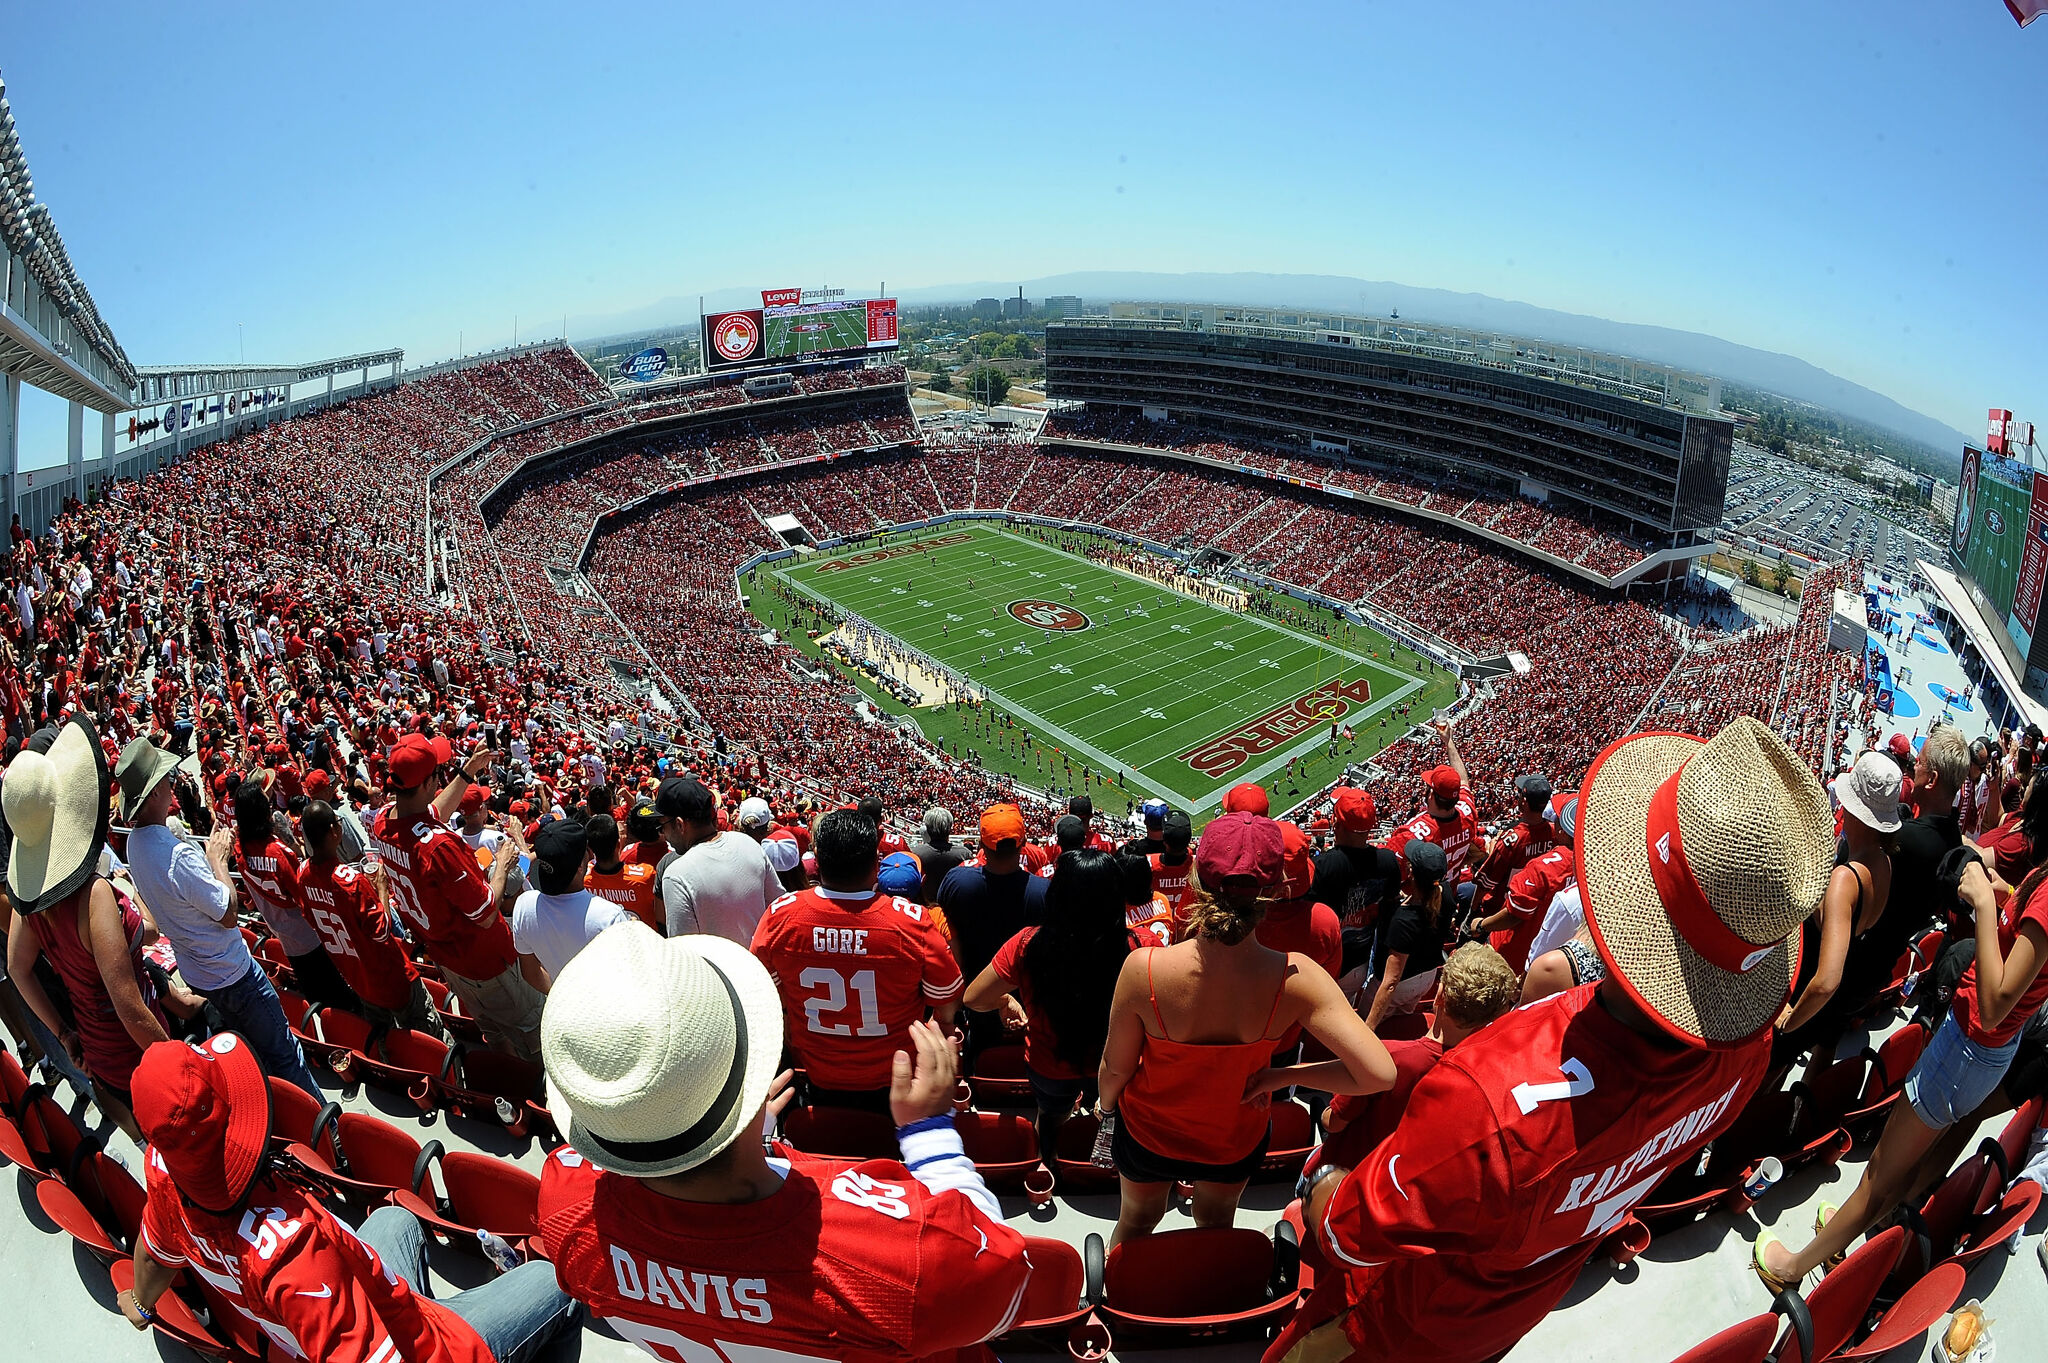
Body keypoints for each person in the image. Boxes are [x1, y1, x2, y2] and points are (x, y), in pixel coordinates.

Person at [1283, 716, 1825, 1363]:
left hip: (1399, 1320)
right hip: (1512, 1309)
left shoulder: (1487, 1097)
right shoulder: (1749, 1052)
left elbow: (1345, 1233)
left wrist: (1322, 1185)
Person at [536, 924, 1032, 1363]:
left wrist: (753, 1139)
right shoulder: (901, 1258)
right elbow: (1007, 1270)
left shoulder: (563, 1201)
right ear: (754, 1068)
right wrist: (931, 1134)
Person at [118, 1034, 582, 1363]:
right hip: (431, 1348)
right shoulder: (294, 1258)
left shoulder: (163, 1170)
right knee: (561, 1283)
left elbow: (155, 1255)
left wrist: (141, 1305)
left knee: (398, 1220)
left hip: (360, 1309)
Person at [1757, 843, 2048, 1288]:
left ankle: (1793, 1267)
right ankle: (1851, 1234)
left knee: (1880, 1174)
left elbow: (1994, 1006)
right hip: (1978, 1051)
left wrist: (1987, 907)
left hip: (1968, 1046)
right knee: (1902, 1170)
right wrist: (2005, 897)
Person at [1097, 812, 1395, 1247]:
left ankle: (1117, 1306)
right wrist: (1283, 1076)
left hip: (1148, 1132)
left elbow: (1115, 1071)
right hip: (1233, 1138)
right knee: (1216, 1224)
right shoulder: (1297, 976)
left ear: (1198, 879)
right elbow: (1379, 1074)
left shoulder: (1143, 968)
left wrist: (1107, 1111)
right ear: (1272, 891)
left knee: (1138, 1221)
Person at [116, 737, 323, 1102]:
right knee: (284, 1052)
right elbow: (228, 914)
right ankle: (325, 1129)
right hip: (233, 974)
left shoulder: (134, 843)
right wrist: (216, 860)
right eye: (163, 778)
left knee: (251, 1052)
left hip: (199, 975)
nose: (171, 782)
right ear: (151, 797)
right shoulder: (179, 854)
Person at [5, 716, 169, 1140]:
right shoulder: (94, 895)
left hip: (93, 1050)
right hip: (135, 1051)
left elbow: (17, 969)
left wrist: (62, 1034)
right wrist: (179, 1063)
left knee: (149, 1142)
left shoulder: (33, 906)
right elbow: (131, 1009)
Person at [751, 809, 963, 1112]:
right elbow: (946, 1003)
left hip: (816, 1071)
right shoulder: (912, 923)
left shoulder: (780, 917)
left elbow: (764, 999)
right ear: (876, 865)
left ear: (818, 862)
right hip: (896, 1075)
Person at [371, 733, 539, 1060]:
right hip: (485, 959)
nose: (440, 778)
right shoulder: (439, 847)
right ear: (426, 783)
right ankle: (531, 1088)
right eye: (437, 773)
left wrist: (469, 769)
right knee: (529, 1027)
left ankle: (505, 1071)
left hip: (447, 956)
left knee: (490, 1027)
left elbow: (431, 812)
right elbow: (487, 912)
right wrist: (503, 866)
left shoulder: (384, 819)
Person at [965, 847, 1133, 1163]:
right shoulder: (1139, 945)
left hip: (1049, 1063)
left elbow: (974, 997)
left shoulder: (1027, 943)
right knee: (1111, 1118)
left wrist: (1005, 1000)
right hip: (1114, 1065)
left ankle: (1047, 1165)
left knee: (1051, 1117)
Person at [1317, 943, 1520, 1171]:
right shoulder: (1487, 1071)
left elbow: (1332, 1123)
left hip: (1352, 1172)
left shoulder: (1390, 1057)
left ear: (1440, 996)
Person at [1772, 752, 1899, 1066]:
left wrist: (1789, 1020)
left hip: (1802, 999)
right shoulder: (1883, 864)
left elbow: (1827, 979)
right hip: (1819, 1014)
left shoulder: (1845, 879)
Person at [298, 801, 442, 1036]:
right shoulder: (350, 882)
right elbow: (383, 929)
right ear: (334, 832)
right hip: (389, 975)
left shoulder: (302, 874)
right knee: (427, 1032)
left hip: (357, 977)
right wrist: (382, 888)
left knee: (383, 1038)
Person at [938, 804, 1047, 1054]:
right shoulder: (1043, 892)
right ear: (1024, 843)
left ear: (982, 845)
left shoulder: (958, 881)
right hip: (1029, 1001)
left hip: (974, 997)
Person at [232, 783, 353, 1010]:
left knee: (316, 995)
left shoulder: (240, 848)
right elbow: (304, 896)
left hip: (284, 935)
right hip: (308, 935)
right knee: (338, 995)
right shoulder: (278, 853)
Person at [659, 777, 782, 944]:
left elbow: (685, 951)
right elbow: (779, 911)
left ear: (680, 825)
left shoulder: (675, 875)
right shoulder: (749, 844)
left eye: (662, 826)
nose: (663, 834)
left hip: (715, 970)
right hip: (760, 967)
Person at [511, 819, 633, 984]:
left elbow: (531, 974)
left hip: (561, 1004)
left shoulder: (523, 905)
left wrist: (561, 997)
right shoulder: (610, 917)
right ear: (581, 866)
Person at [1312, 787, 1403, 981]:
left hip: (1325, 961)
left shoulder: (1323, 865)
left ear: (1336, 824)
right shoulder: (1388, 860)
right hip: (1362, 957)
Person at [1361, 841, 1450, 1029]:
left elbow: (1390, 982)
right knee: (1398, 1026)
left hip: (1400, 985)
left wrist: (1367, 1029)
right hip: (1427, 978)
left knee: (1364, 1026)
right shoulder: (1446, 894)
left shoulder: (1403, 919)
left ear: (1411, 873)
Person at [1468, 773, 1558, 929]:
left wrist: (1473, 909)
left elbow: (1487, 882)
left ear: (1523, 801)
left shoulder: (1513, 840)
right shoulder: (1554, 834)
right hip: (1534, 909)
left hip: (1501, 909)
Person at [584, 812, 660, 931]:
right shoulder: (646, 876)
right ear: (619, 844)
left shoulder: (583, 880)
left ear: (590, 849)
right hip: (642, 945)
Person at [907, 806, 967, 904]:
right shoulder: (963, 854)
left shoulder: (915, 854)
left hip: (924, 908)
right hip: (954, 907)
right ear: (950, 827)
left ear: (927, 828)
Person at [1150, 808, 1197, 927]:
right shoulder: (1197, 865)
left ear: (1164, 841)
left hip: (1160, 926)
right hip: (1186, 927)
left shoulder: (1148, 863)